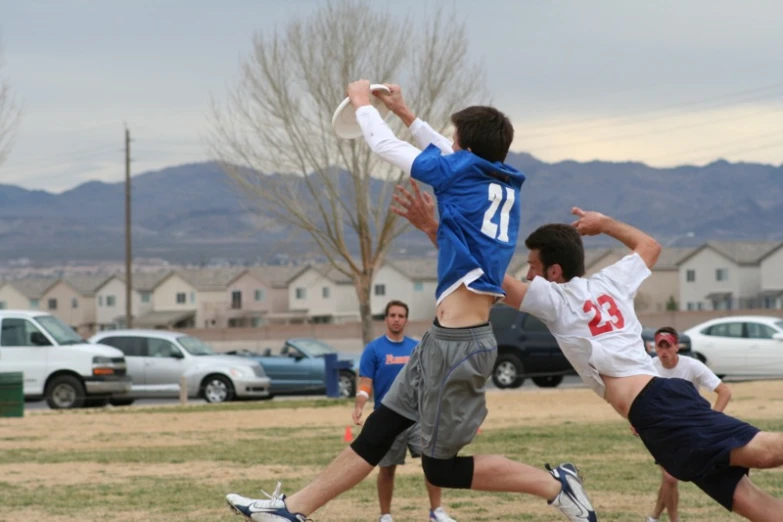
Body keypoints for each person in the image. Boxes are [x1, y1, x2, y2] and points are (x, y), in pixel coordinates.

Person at [225, 80, 597, 522]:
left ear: (466, 149)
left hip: (462, 348)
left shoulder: (459, 173)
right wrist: (405, 112)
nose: (450, 144)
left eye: (455, 139)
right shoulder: (498, 180)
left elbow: (383, 146)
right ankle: (292, 511)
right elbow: (444, 147)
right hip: (442, 341)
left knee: (441, 467)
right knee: (377, 432)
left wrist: (363, 105)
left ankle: (558, 487)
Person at [393, 186, 783, 521]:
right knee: (751, 503)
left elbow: (483, 274)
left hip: (658, 406)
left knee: (765, 451)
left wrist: (433, 227)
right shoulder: (611, 281)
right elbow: (650, 246)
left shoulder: (555, 298)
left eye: (532, 267)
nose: (528, 275)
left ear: (555, 272)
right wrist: (605, 224)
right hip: (656, 411)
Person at [354, 300, 457, 522]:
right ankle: (385, 515)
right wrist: (360, 404)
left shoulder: (417, 348)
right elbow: (365, 382)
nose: (397, 319)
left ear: (406, 320)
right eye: (393, 315)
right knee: (388, 468)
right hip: (388, 418)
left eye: (401, 316)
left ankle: (436, 512)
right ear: (386, 319)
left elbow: (432, 380)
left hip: (418, 417)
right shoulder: (374, 349)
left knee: (433, 462)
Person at [643, 327, 733, 522]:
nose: (664, 351)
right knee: (670, 478)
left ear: (677, 347)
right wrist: (635, 421)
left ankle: (653, 517)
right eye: (660, 346)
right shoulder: (649, 367)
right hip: (660, 429)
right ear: (654, 348)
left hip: (688, 429)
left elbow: (724, 392)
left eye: (668, 346)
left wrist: (711, 420)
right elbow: (637, 396)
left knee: (669, 479)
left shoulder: (692, 366)